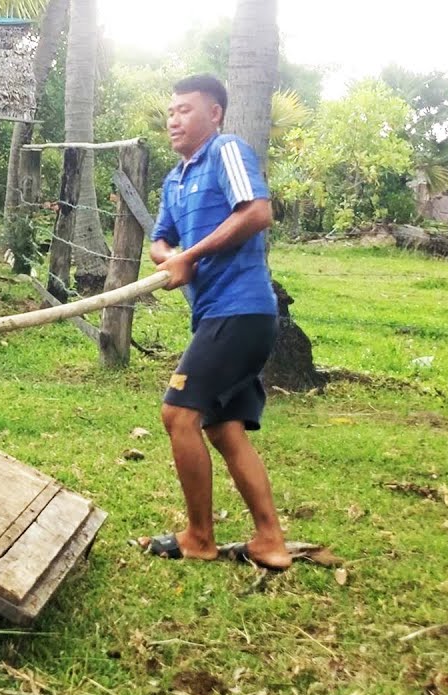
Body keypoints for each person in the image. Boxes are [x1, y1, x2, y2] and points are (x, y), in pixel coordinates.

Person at [135, 74, 292, 572]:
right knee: (224, 429)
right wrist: (172, 257)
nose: (174, 119)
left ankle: (199, 537)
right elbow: (159, 241)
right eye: (171, 112)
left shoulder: (226, 151)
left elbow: (257, 212)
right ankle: (270, 540)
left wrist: (192, 257)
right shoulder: (175, 178)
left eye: (185, 109)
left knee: (178, 415)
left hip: (240, 310)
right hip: (217, 316)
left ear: (215, 113)